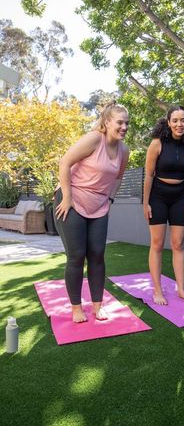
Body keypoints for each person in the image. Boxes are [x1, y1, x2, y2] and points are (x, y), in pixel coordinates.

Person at [54, 101, 129, 323]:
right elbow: (64, 162)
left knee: (97, 254)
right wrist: (66, 197)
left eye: (127, 123)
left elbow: (118, 178)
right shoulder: (95, 138)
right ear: (107, 123)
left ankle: (98, 306)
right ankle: (76, 307)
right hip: (72, 199)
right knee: (77, 255)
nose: (124, 127)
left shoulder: (124, 150)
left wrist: (110, 199)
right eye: (119, 122)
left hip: (99, 205)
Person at [143, 105, 184, 305]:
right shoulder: (157, 143)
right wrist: (146, 203)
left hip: (179, 197)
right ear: (168, 122)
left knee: (178, 244)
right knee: (157, 244)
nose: (179, 124)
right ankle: (157, 290)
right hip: (158, 196)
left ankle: (181, 289)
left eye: (183, 120)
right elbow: (149, 175)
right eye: (175, 120)